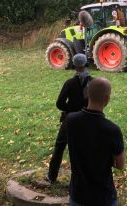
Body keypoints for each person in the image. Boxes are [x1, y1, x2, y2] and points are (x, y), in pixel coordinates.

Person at [66, 77, 125, 206]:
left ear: (87, 95)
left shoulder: (70, 120)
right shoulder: (112, 130)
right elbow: (120, 165)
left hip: (77, 194)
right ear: (107, 100)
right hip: (102, 197)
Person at [46, 54, 92, 183]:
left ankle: (51, 176)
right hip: (86, 120)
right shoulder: (93, 83)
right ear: (86, 64)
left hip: (70, 119)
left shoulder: (69, 83)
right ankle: (81, 178)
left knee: (60, 147)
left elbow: (59, 103)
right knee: (82, 150)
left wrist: (69, 109)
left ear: (74, 66)